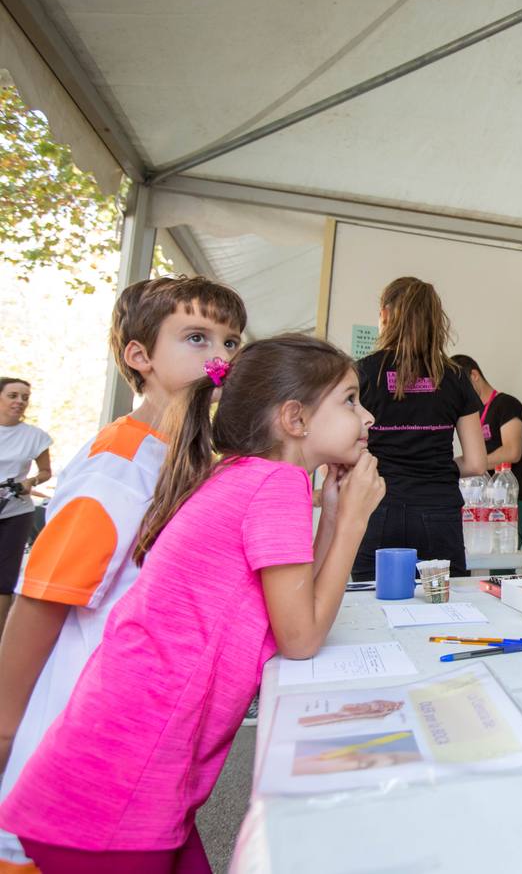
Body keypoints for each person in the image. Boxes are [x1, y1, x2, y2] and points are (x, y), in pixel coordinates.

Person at [0, 334, 385, 872]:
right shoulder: (274, 484)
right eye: (350, 400)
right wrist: (353, 522)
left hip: (120, 766)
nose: (367, 417)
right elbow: (301, 638)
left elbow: (298, 600)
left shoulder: (247, 475)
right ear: (295, 419)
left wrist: (336, 512)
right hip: (122, 786)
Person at [0, 275, 246, 870]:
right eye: (197, 337)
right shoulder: (120, 460)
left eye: (232, 342)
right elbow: (43, 599)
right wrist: (7, 730)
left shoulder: (185, 458)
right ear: (139, 356)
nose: (220, 357)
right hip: (76, 742)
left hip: (138, 730)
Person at [354, 278, 487, 579]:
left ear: (385, 315)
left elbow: (341, 452)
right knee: (442, 605)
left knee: (371, 604)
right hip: (439, 509)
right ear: (435, 322)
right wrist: (434, 466)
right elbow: (477, 463)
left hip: (377, 505)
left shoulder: (361, 373)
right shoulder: (455, 377)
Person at [451, 355, 522, 549]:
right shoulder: (470, 413)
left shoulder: (507, 405)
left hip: (508, 501)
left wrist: (469, 464)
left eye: (461, 384)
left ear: (475, 375)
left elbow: (512, 451)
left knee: (501, 562)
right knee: (471, 553)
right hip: (479, 502)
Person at [0, 378, 51, 639]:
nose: (19, 402)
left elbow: (45, 472)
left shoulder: (34, 436)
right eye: (13, 396)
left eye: (24, 397)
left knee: (4, 581)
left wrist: (30, 481)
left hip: (15, 511)